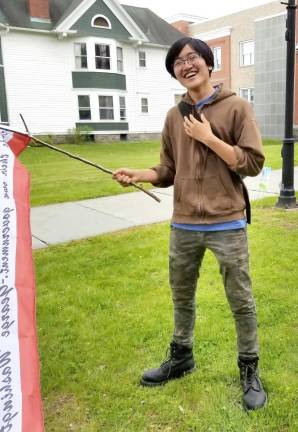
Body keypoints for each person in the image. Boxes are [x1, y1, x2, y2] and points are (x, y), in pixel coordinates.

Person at [113, 37, 267, 411]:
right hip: (183, 224)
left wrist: (209, 138)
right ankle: (181, 357)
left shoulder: (237, 108)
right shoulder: (173, 116)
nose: (185, 65)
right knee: (181, 296)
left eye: (191, 57)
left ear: (208, 63)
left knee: (241, 301)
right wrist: (140, 174)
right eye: (177, 63)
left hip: (226, 223)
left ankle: (249, 369)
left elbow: (253, 162)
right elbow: (167, 170)